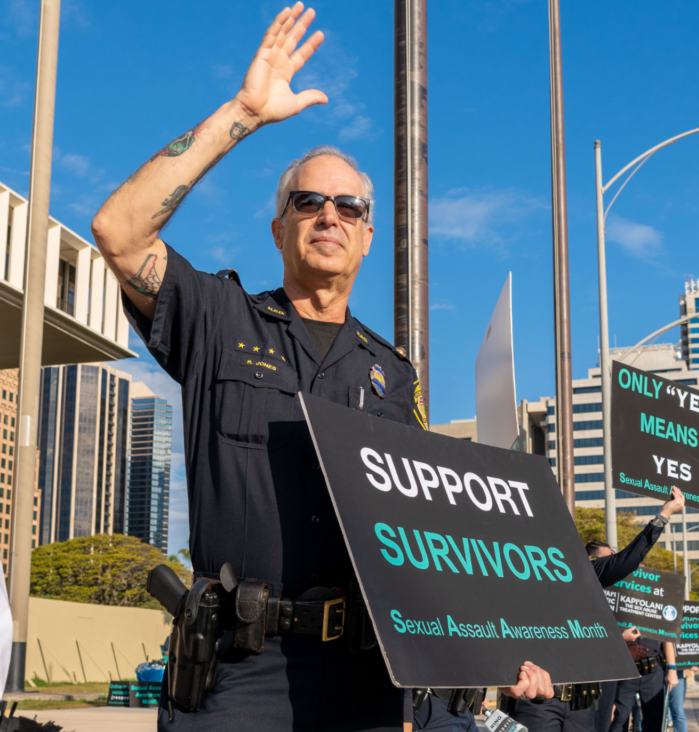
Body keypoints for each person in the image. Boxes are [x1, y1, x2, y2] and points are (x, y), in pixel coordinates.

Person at [91, 5, 551, 730]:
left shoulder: (393, 377)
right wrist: (244, 112)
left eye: (348, 206)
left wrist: (515, 641)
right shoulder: (217, 318)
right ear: (280, 227)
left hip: (368, 678)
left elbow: (435, 535)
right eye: (309, 201)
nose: (328, 215)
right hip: (237, 674)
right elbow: (119, 231)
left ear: (368, 235)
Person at [506, 488, 687, 732]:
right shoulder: (514, 576)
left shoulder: (584, 573)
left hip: (582, 703)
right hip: (538, 700)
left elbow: (627, 559)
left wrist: (664, 514)